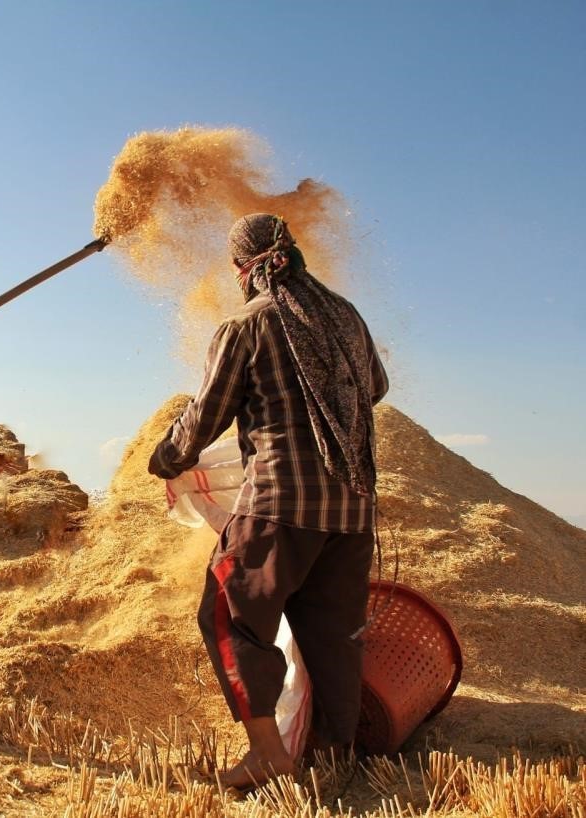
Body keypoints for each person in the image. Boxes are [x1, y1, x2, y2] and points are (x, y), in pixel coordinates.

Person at [148, 214, 388, 788]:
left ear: (244, 267)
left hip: (279, 505)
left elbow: (208, 414)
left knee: (229, 615)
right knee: (334, 634)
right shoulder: (346, 316)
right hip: (353, 509)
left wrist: (167, 457)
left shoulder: (247, 324)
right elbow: (375, 387)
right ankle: (333, 754)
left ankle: (268, 753)